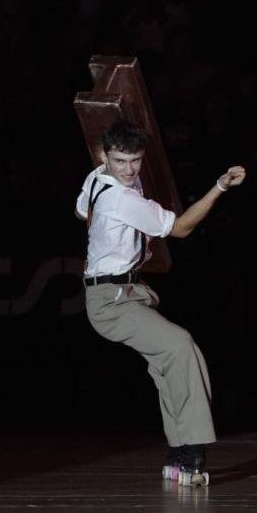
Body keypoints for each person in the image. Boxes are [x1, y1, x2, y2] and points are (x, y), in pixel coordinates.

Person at [76, 121, 246, 487]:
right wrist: (219, 187)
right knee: (181, 347)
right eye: (120, 161)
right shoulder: (123, 198)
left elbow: (80, 212)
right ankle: (193, 449)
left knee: (166, 363)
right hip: (110, 303)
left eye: (135, 161)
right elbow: (182, 229)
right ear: (105, 156)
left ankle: (180, 449)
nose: (129, 170)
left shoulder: (96, 178)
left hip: (127, 292)